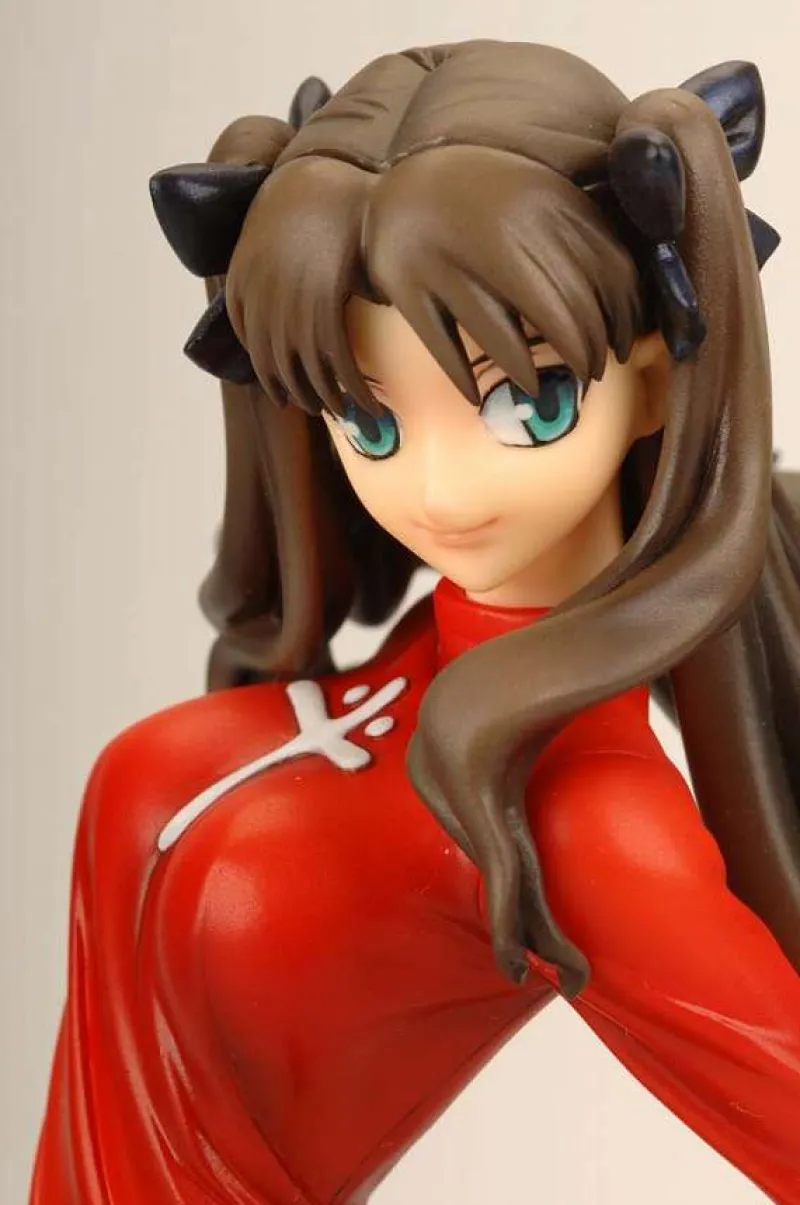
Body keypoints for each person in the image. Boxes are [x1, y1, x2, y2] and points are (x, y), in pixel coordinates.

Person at [30, 39, 800, 1205]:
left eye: (523, 402)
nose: (434, 490)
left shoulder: (573, 816)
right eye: (369, 419)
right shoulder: (411, 678)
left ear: (649, 380)